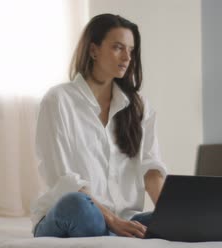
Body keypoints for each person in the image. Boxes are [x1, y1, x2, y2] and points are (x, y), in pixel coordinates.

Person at [30, 13, 168, 238]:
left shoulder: (139, 106)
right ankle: (110, 231)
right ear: (93, 50)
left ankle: (114, 233)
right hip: (72, 215)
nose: (127, 57)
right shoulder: (58, 100)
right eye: (118, 48)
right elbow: (65, 179)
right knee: (79, 205)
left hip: (124, 219)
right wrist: (112, 221)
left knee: (191, 222)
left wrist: (171, 217)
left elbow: (151, 168)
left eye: (131, 51)